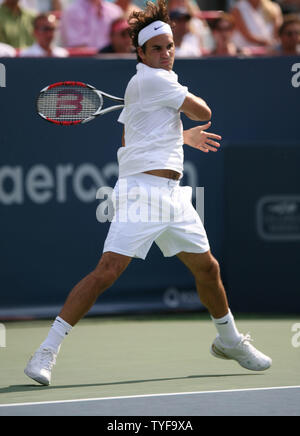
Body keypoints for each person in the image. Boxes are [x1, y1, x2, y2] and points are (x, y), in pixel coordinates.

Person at [24, 0, 272, 387]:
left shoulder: (144, 86)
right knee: (107, 272)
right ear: (140, 52)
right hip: (141, 194)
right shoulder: (156, 81)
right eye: (156, 49)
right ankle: (46, 350)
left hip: (172, 195)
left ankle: (229, 340)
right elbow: (202, 111)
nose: (166, 54)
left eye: (170, 47)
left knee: (208, 268)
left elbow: (128, 135)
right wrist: (186, 124)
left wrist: (179, 137)